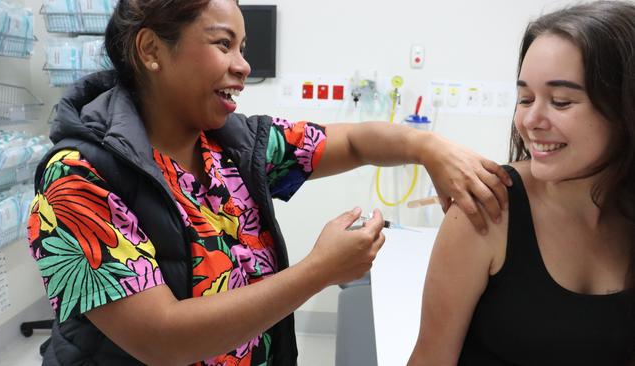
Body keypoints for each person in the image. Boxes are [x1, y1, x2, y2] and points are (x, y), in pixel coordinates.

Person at [27, 0, 512, 365]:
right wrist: (319, 271)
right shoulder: (78, 178)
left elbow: (355, 142)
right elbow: (161, 338)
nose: (242, 66)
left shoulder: (233, 147)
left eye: (243, 48)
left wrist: (428, 148)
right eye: (223, 45)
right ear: (152, 50)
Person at [408, 1, 635, 365]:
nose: (530, 120)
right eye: (525, 98)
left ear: (625, 108)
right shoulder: (487, 208)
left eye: (560, 102)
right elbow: (431, 359)